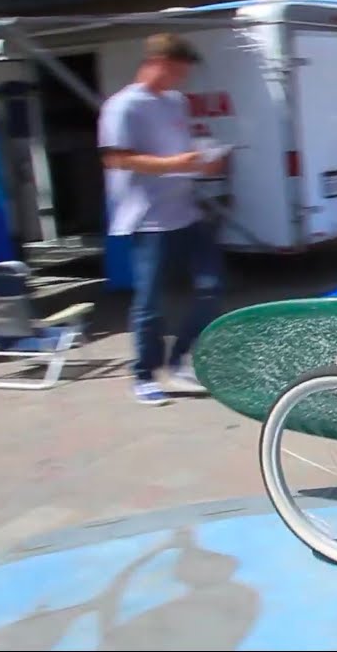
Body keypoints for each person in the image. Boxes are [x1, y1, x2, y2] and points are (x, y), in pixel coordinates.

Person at [98, 33, 228, 406]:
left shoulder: (175, 102)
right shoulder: (123, 106)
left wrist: (204, 162)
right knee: (150, 302)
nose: (181, 80)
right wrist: (175, 164)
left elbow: (179, 151)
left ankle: (181, 358)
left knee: (211, 286)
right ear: (158, 64)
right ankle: (143, 374)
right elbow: (116, 158)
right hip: (148, 220)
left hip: (185, 212)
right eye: (177, 72)